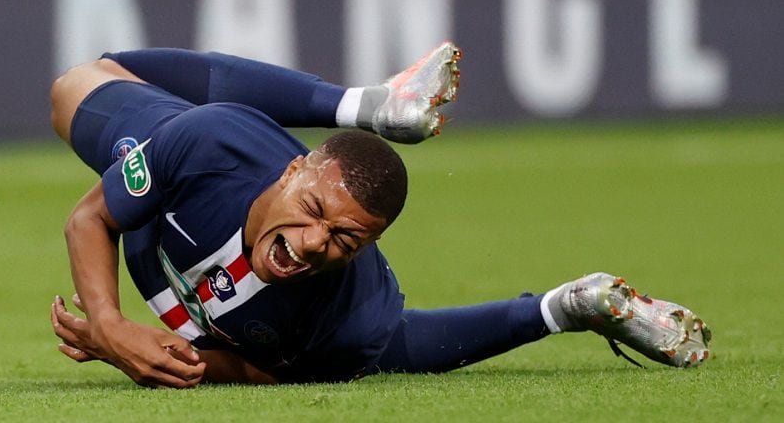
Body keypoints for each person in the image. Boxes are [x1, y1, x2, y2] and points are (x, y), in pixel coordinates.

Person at [48, 42, 711, 388]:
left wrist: (159, 360)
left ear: (367, 247)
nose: (313, 244)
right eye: (312, 211)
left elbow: (255, 374)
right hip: (199, 159)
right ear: (292, 171)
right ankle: (365, 106)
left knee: (400, 350)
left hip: (323, 329)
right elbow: (90, 218)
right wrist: (108, 324)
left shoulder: (343, 315)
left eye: (344, 239)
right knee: (78, 84)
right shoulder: (209, 147)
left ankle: (573, 305)